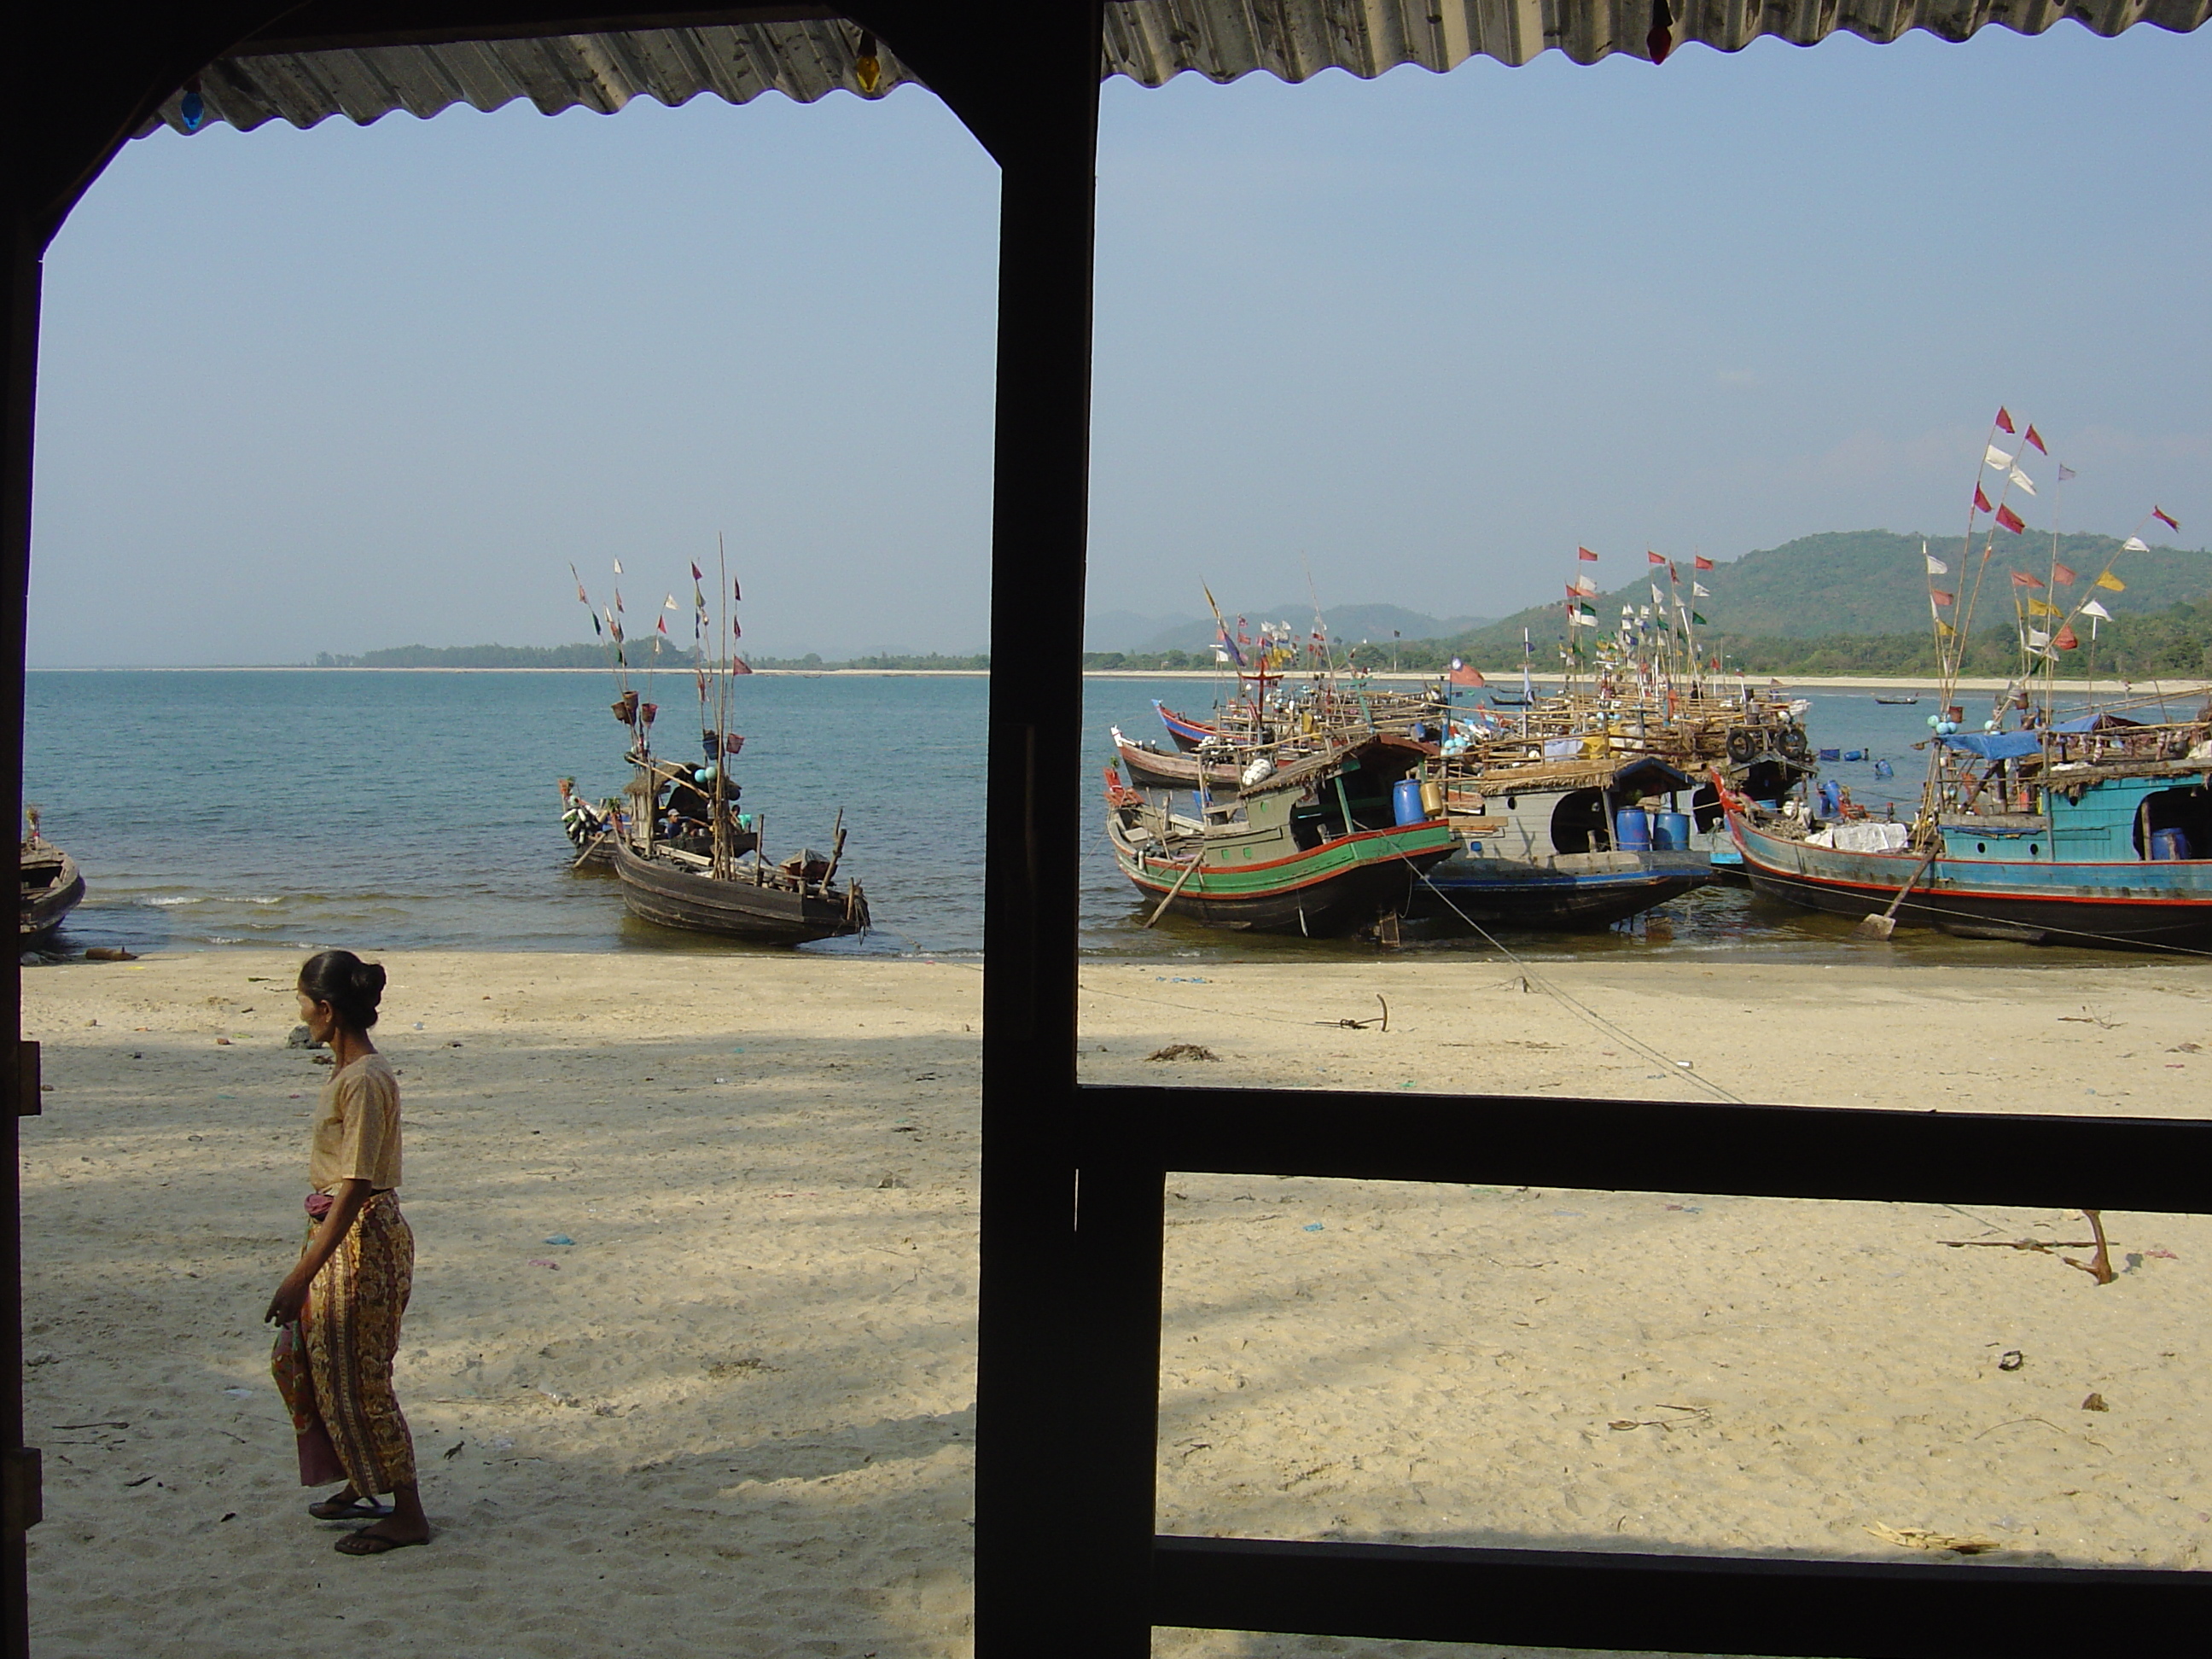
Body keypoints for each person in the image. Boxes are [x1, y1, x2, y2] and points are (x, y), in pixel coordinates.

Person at [265, 950, 428, 1556]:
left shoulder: (363, 1080)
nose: (302, 1013)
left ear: (327, 1009)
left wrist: (298, 1278)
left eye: (304, 1003)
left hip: (359, 1238)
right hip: (339, 1231)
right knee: (310, 1362)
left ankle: (407, 1513)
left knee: (361, 1377)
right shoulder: (348, 1071)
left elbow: (356, 1185)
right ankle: (361, 1481)